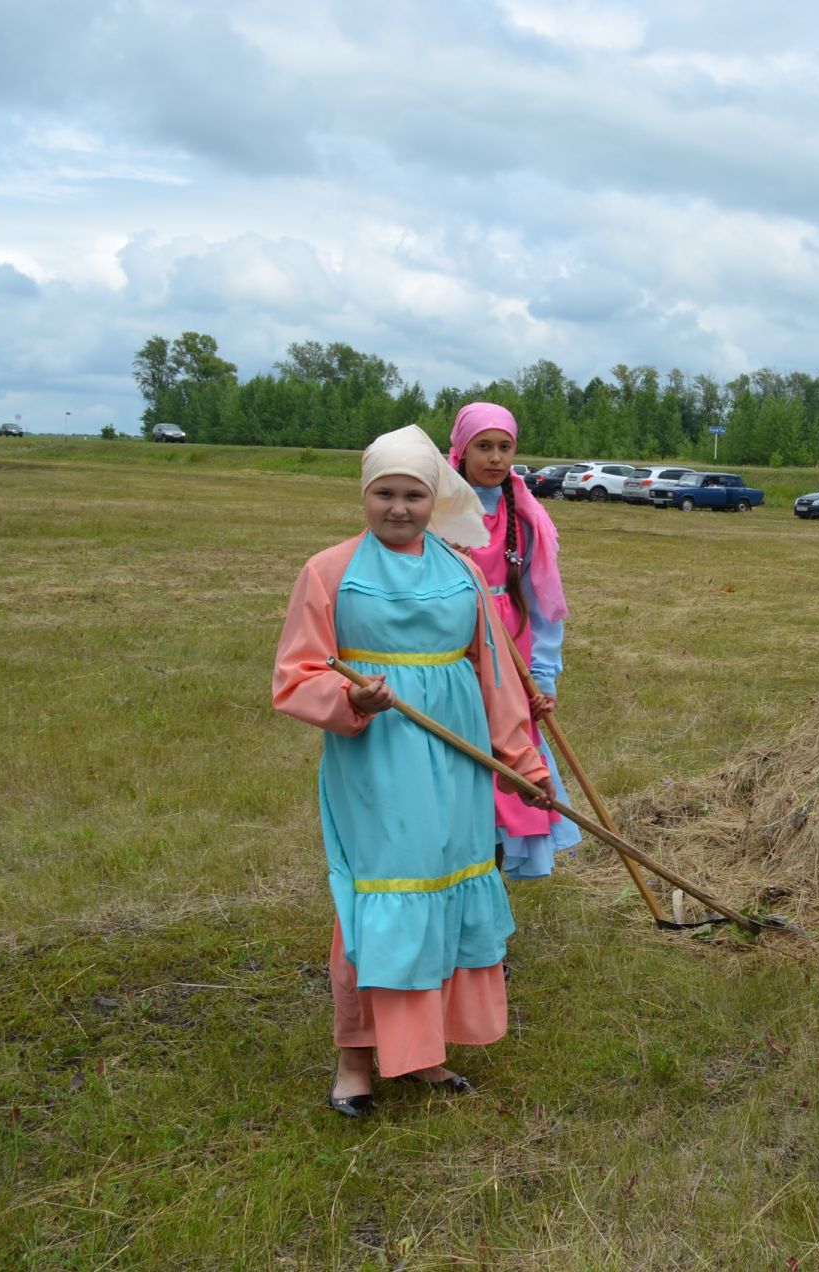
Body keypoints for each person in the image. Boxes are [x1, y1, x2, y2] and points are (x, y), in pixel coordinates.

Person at [273, 425, 555, 1119]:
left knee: (446, 883)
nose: (398, 509)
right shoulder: (329, 570)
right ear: (364, 495)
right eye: (384, 494)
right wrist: (349, 698)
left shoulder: (461, 570)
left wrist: (520, 762)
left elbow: (494, 675)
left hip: (457, 757)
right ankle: (355, 1060)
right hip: (378, 753)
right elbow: (295, 673)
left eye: (413, 496)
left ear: (435, 499)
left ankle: (426, 1051)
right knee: (380, 894)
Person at [448, 402, 583, 880]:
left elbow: (543, 601)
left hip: (512, 646)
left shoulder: (524, 516)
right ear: (461, 452)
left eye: (505, 447)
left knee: (512, 760)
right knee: (466, 751)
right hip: (456, 647)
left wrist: (544, 673)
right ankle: (462, 852)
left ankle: (496, 871)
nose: (495, 458)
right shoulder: (438, 509)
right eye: (483, 446)